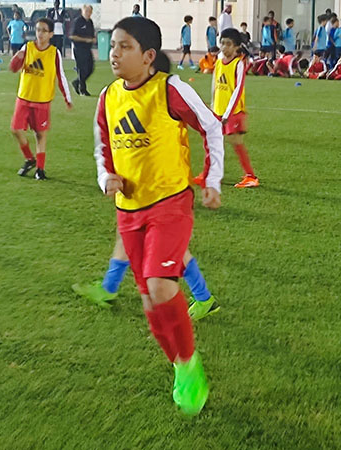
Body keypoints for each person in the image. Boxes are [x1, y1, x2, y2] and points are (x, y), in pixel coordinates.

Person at [93, 16, 224, 416]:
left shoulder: (170, 89)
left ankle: (189, 364)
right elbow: (102, 147)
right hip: (128, 210)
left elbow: (211, 126)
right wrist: (106, 177)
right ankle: (180, 365)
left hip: (170, 202)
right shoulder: (108, 97)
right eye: (114, 45)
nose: (115, 53)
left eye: (125, 46)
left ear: (148, 56)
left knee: (160, 285)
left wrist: (212, 179)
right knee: (149, 301)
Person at [72, 237, 220, 320]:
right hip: (155, 199)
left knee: (174, 249)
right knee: (127, 239)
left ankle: (204, 299)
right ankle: (108, 288)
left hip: (160, 200)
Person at [8, 18, 73, 180]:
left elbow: (61, 76)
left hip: (42, 100)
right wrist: (17, 58)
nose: (40, 33)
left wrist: (67, 98)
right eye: (38, 30)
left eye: (44, 30)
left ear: (51, 34)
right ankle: (30, 158)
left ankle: (40, 169)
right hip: (24, 97)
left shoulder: (54, 53)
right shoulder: (27, 47)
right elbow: (13, 68)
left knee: (40, 135)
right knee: (15, 129)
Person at [202, 28, 258, 188]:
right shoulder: (219, 62)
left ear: (236, 47)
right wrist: (213, 107)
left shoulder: (238, 64)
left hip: (233, 112)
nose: (224, 47)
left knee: (236, 142)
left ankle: (251, 176)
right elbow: (215, 86)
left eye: (228, 44)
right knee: (212, 142)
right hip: (218, 111)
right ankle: (210, 174)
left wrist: (227, 113)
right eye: (222, 43)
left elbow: (238, 90)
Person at [70, 5, 96, 96]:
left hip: (87, 49)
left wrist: (93, 39)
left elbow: (92, 34)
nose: (88, 13)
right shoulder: (78, 21)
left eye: (90, 11)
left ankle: (77, 82)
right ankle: (83, 89)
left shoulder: (90, 22)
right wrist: (85, 40)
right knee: (82, 69)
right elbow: (72, 36)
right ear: (82, 11)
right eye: (87, 11)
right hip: (79, 49)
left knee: (90, 68)